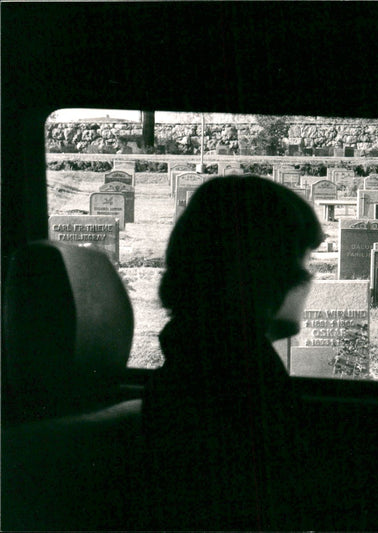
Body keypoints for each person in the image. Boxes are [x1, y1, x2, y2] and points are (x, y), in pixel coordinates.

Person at [141, 174, 325, 529]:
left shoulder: (225, 366)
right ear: (264, 272)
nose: (308, 279)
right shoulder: (227, 386)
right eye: (302, 264)